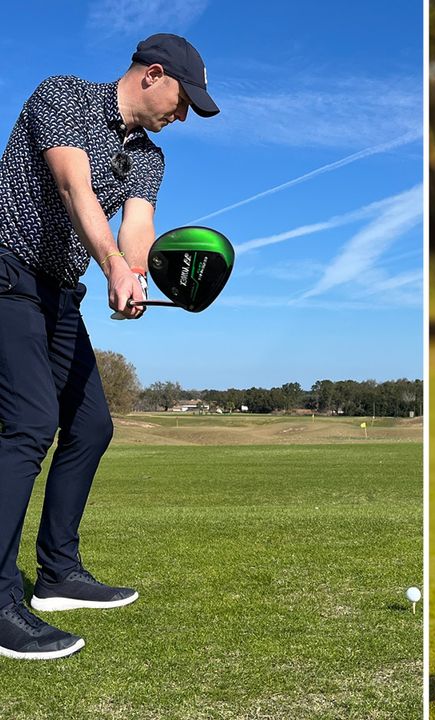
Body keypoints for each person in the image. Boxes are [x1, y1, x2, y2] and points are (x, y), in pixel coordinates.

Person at [0, 33, 219, 660]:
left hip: (59, 294)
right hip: (7, 276)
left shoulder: (148, 156)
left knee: (92, 426)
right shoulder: (63, 95)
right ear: (154, 75)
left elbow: (138, 227)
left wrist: (136, 276)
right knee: (30, 425)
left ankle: (58, 574)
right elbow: (75, 191)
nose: (184, 115)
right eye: (184, 101)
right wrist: (113, 267)